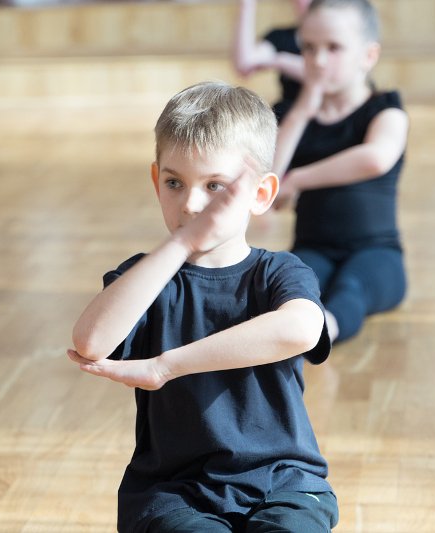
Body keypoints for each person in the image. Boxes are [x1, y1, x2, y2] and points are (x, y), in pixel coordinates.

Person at [67, 81, 339, 533]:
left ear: (261, 193)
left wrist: (166, 366)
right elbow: (90, 342)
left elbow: (302, 329)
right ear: (156, 181)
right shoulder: (144, 277)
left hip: (285, 484)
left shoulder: (280, 273)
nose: (191, 204)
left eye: (215, 186)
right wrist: (181, 244)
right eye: (174, 182)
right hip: (173, 494)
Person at [272, 0, 409, 343]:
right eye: (308, 48)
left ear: (368, 55)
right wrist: (303, 110)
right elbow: (270, 187)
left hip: (376, 253)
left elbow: (375, 158)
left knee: (352, 287)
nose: (318, 61)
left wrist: (300, 178)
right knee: (288, 288)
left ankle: (323, 333)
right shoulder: (288, 116)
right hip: (313, 248)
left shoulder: (385, 109)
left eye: (333, 48)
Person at [232, 0, 312, 117]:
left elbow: (324, 75)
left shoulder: (344, 36)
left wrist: (280, 60)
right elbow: (245, 63)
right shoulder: (281, 36)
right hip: (287, 115)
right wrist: (247, 5)